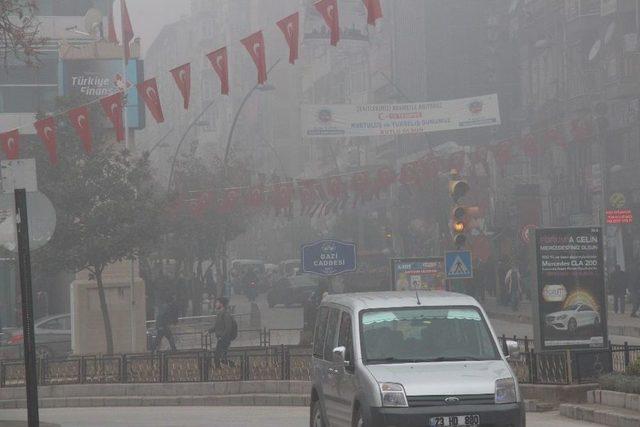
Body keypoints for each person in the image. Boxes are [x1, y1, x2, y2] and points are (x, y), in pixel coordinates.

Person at [211, 297, 235, 368]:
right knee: (219, 357)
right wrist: (208, 331)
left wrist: (222, 337)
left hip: (224, 339)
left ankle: (234, 366)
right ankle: (220, 369)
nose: (216, 304)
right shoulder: (220, 314)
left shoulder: (226, 314)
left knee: (219, 357)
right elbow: (217, 327)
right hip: (221, 338)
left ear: (221, 304)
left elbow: (228, 328)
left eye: (217, 302)